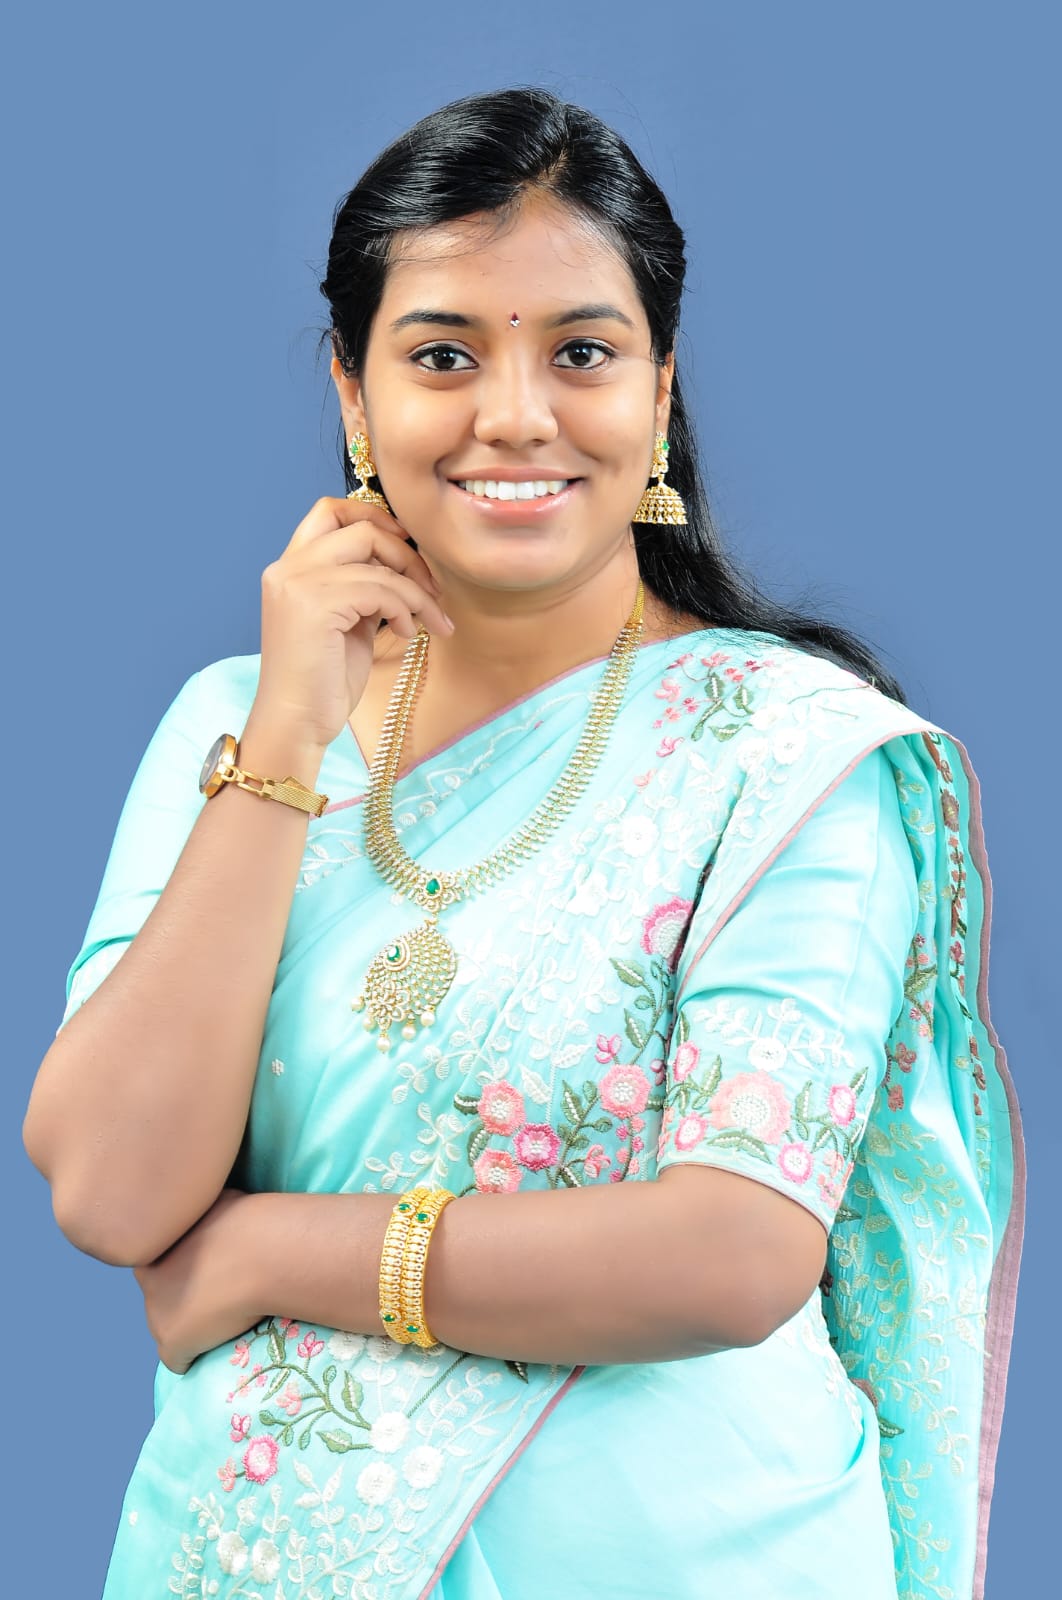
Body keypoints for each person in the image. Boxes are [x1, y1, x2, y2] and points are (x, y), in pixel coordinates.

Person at [23, 85, 1023, 1600]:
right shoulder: (232, 729)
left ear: (659, 393)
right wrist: (286, 745)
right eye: (443, 356)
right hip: (257, 1559)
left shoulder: (785, 752)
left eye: (581, 353)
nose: (514, 416)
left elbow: (734, 1250)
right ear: (355, 396)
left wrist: (268, 1255)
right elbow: (109, 1190)